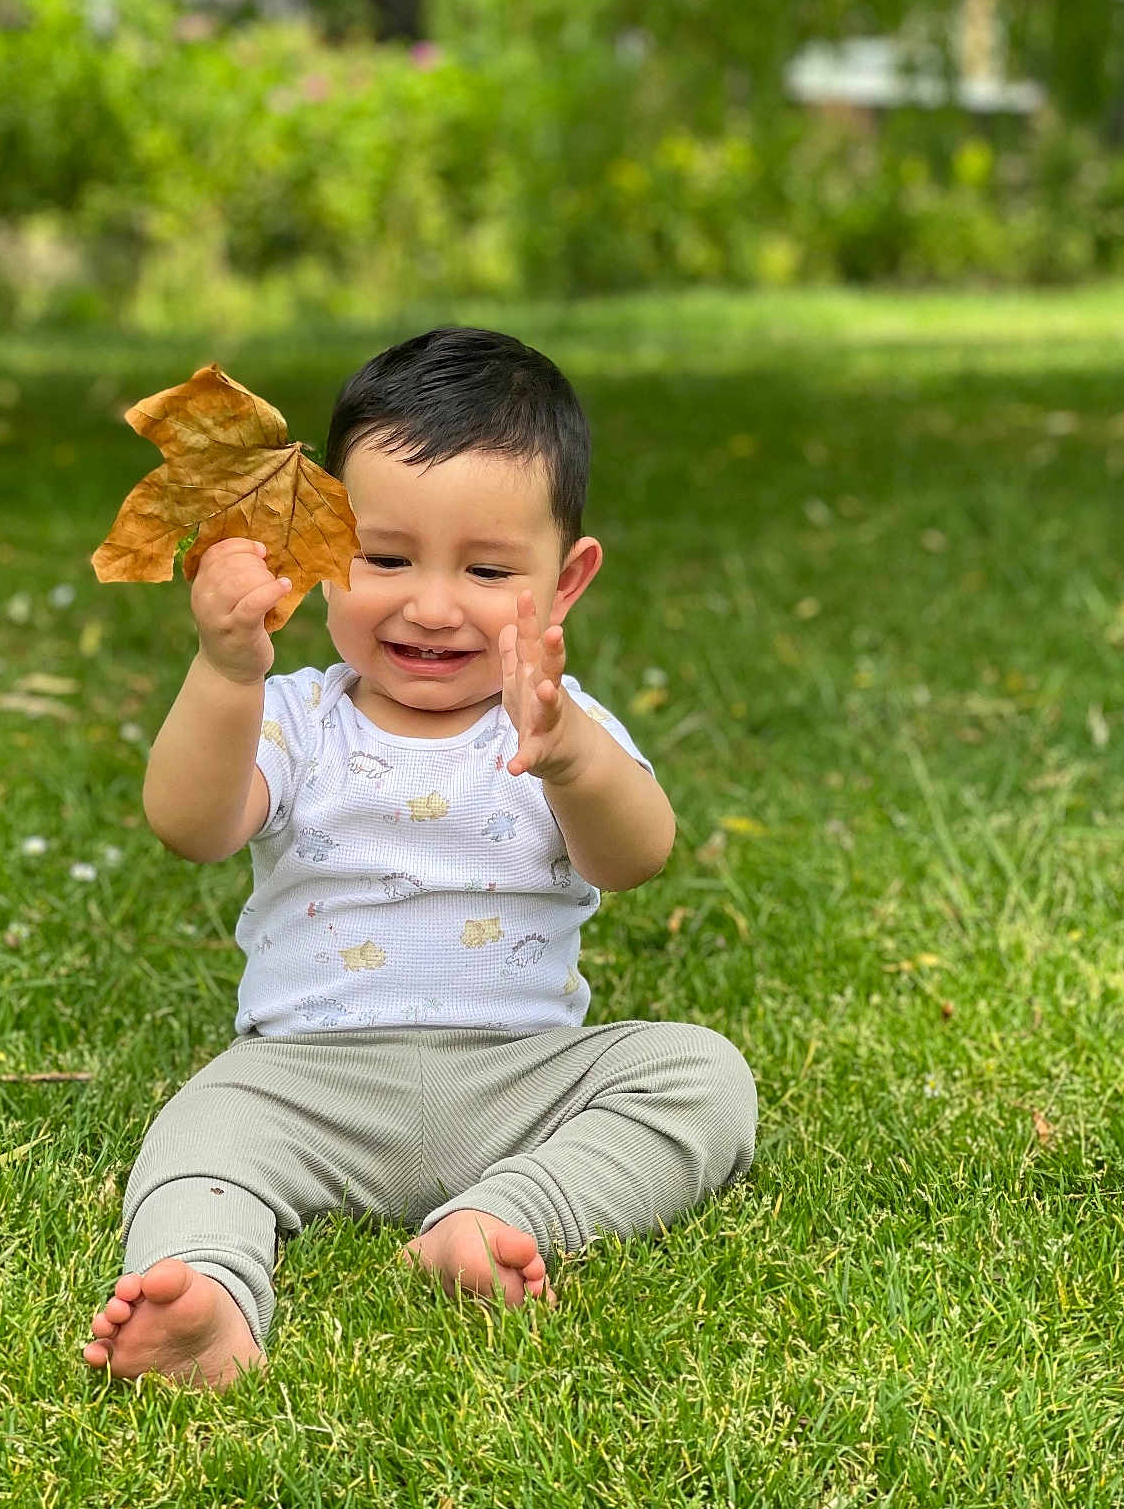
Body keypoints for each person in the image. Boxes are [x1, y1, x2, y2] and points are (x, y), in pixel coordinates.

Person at [83, 327, 757, 1386]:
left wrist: (572, 759)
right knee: (201, 1134)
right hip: (307, 1084)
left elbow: (639, 857)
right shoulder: (295, 715)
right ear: (317, 546)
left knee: (702, 1077)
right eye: (384, 558)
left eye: (488, 570)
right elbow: (190, 824)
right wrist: (224, 671)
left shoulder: (556, 718)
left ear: (566, 581)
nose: (431, 606)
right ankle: (205, 1294)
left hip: (519, 1080)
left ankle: (503, 1216)